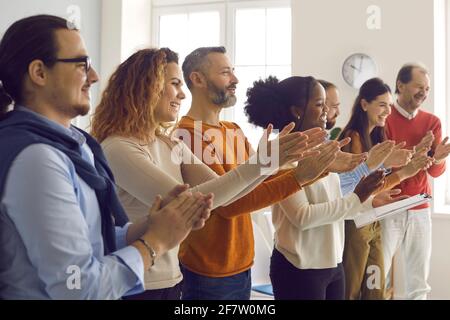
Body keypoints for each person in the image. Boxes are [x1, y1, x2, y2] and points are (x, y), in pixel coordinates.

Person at [0, 15, 212, 300]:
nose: (95, 76)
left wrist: (154, 225)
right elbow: (77, 287)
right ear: (39, 73)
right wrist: (155, 243)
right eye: (81, 64)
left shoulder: (79, 146)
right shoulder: (37, 159)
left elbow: (93, 239)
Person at [90, 47, 317, 300]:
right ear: (147, 86)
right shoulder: (119, 147)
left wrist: (270, 165)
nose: (181, 93)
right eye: (174, 83)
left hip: (173, 279)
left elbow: (223, 193)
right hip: (139, 284)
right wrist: (267, 164)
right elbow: (187, 202)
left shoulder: (168, 143)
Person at [175, 47, 365, 300]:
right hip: (208, 272)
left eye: (233, 72)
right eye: (225, 73)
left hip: (241, 267)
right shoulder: (187, 135)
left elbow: (256, 186)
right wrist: (300, 175)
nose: (235, 80)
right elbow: (229, 205)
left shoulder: (233, 130)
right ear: (197, 79)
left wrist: (319, 170)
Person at [245, 75, 408, 300]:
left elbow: (336, 202)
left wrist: (368, 201)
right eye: (320, 104)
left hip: (332, 264)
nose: (327, 111)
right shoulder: (281, 156)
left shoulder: (323, 150)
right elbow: (303, 216)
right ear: (297, 111)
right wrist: (357, 196)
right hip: (299, 268)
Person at [339, 78, 432, 300]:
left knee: (376, 287)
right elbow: (353, 186)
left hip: (373, 222)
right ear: (364, 105)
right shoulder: (353, 136)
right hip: (356, 223)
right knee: (351, 289)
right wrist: (400, 171)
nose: (387, 111)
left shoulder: (376, 137)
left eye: (390, 105)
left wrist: (409, 165)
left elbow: (377, 184)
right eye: (382, 105)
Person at [382, 63, 450, 300]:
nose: (424, 92)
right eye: (419, 86)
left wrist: (438, 159)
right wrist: (416, 154)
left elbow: (435, 172)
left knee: (419, 283)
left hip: (420, 207)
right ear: (400, 85)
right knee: (380, 278)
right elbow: (382, 165)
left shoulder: (432, 122)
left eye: (428, 88)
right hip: (388, 207)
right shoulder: (384, 117)